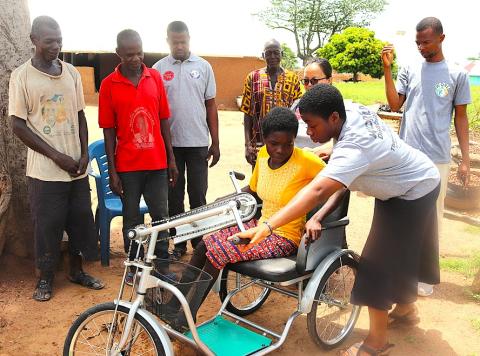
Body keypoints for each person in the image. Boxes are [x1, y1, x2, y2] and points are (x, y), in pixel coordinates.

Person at [236, 84, 441, 355]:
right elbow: (349, 164)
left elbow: (319, 190)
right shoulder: (351, 111)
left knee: (376, 265)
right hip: (401, 183)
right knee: (400, 255)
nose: (307, 133)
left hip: (413, 190)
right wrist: (334, 155)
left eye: (311, 125)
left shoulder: (355, 148)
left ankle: (377, 343)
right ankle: (405, 310)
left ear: (334, 118)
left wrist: (268, 225)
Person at [170, 107, 336, 330]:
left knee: (217, 253)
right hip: (260, 227)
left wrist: (317, 216)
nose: (280, 149)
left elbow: (339, 184)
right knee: (203, 246)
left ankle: (184, 320)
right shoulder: (263, 156)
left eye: (288, 143)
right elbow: (253, 189)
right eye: (274, 143)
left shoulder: (306, 160)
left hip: (285, 237)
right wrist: (223, 200)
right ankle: (173, 303)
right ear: (264, 138)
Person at [9, 16, 104, 301]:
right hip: (45, 172)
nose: (56, 46)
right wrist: (56, 156)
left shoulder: (71, 73)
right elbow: (17, 125)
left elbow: (79, 115)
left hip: (75, 169)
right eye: (49, 41)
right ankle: (45, 279)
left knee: (78, 222)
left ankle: (77, 271)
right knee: (47, 227)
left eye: (59, 40)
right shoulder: (22, 76)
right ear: (34, 40)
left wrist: (84, 153)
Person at [382, 17, 471, 297]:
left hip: (437, 158)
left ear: (441, 39)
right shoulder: (410, 68)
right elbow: (396, 105)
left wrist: (465, 159)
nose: (421, 47)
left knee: (432, 217)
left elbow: (462, 118)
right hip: (407, 156)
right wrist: (387, 70)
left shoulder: (457, 74)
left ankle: (425, 276)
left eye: (426, 42)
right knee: (402, 211)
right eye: (418, 42)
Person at [99, 29, 177, 284]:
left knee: (160, 217)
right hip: (128, 167)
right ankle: (133, 266)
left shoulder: (154, 77)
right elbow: (108, 131)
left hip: (156, 164)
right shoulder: (109, 85)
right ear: (118, 54)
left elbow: (164, 120)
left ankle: (162, 265)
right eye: (129, 54)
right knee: (132, 218)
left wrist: (171, 160)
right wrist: (112, 171)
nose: (135, 58)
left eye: (139, 52)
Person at [153, 21, 219, 261]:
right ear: (167, 40)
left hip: (198, 143)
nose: (179, 45)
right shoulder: (158, 69)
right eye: (175, 41)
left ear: (189, 39)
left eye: (183, 41)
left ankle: (198, 242)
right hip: (170, 146)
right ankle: (179, 242)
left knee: (198, 194)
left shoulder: (203, 67)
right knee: (174, 195)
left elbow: (210, 105)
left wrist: (216, 142)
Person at [240, 39, 302, 166]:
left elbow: (298, 114)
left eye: (276, 52)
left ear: (282, 54)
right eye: (268, 53)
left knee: (284, 180)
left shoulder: (293, 79)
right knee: (259, 181)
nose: (272, 56)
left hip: (284, 146)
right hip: (258, 143)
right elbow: (247, 113)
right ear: (263, 56)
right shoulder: (253, 78)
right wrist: (247, 145)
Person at [291, 58, 333, 157]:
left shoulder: (338, 108)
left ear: (329, 80)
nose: (309, 85)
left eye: (314, 80)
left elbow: (346, 139)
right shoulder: (296, 105)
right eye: (306, 81)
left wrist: (317, 152)